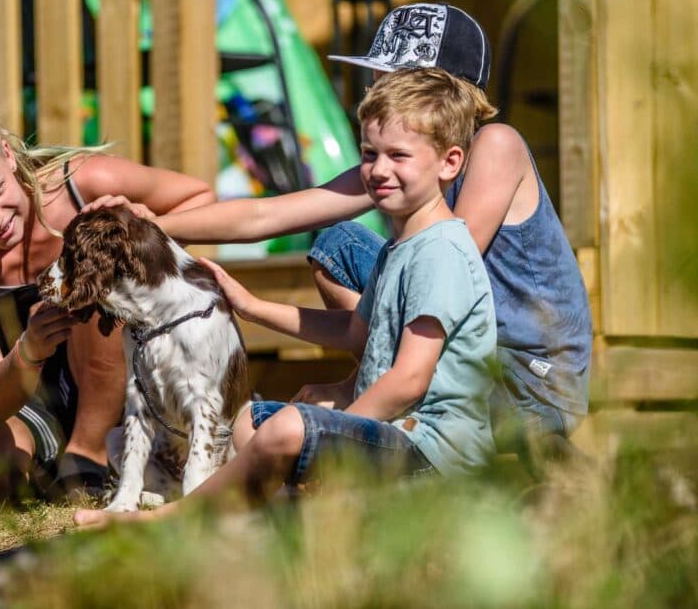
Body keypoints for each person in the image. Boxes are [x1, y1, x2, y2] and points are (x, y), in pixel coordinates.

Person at [86, 2, 592, 475]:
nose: (373, 84)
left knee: (402, 271)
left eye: (387, 75)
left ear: (436, 91)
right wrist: (151, 223)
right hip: (456, 359)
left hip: (527, 382)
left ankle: (379, 409)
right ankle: (381, 399)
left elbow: (454, 269)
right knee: (338, 244)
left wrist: (349, 396)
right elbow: (269, 215)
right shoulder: (403, 162)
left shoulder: (494, 146)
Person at [75, 67, 497, 526]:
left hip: (435, 453)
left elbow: (410, 380)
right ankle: (287, 512)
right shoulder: (402, 246)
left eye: (398, 155)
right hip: (395, 438)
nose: (378, 170)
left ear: (449, 163)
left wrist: (335, 437)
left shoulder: (439, 252)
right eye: (369, 153)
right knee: (249, 423)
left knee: (293, 427)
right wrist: (253, 307)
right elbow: (354, 329)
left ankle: (174, 519)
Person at [0, 92, 215, 509]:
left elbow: (200, 197)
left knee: (92, 273)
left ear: (9, 156)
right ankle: (56, 469)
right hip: (30, 390)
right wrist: (29, 350)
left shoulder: (82, 185)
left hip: (129, 370)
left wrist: (141, 230)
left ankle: (91, 452)